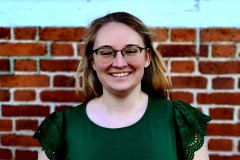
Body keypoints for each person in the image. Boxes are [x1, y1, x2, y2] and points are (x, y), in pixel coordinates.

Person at [34, 12, 211, 160]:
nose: (119, 63)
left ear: (147, 57)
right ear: (93, 61)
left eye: (131, 51)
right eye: (105, 52)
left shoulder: (180, 121)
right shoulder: (61, 128)